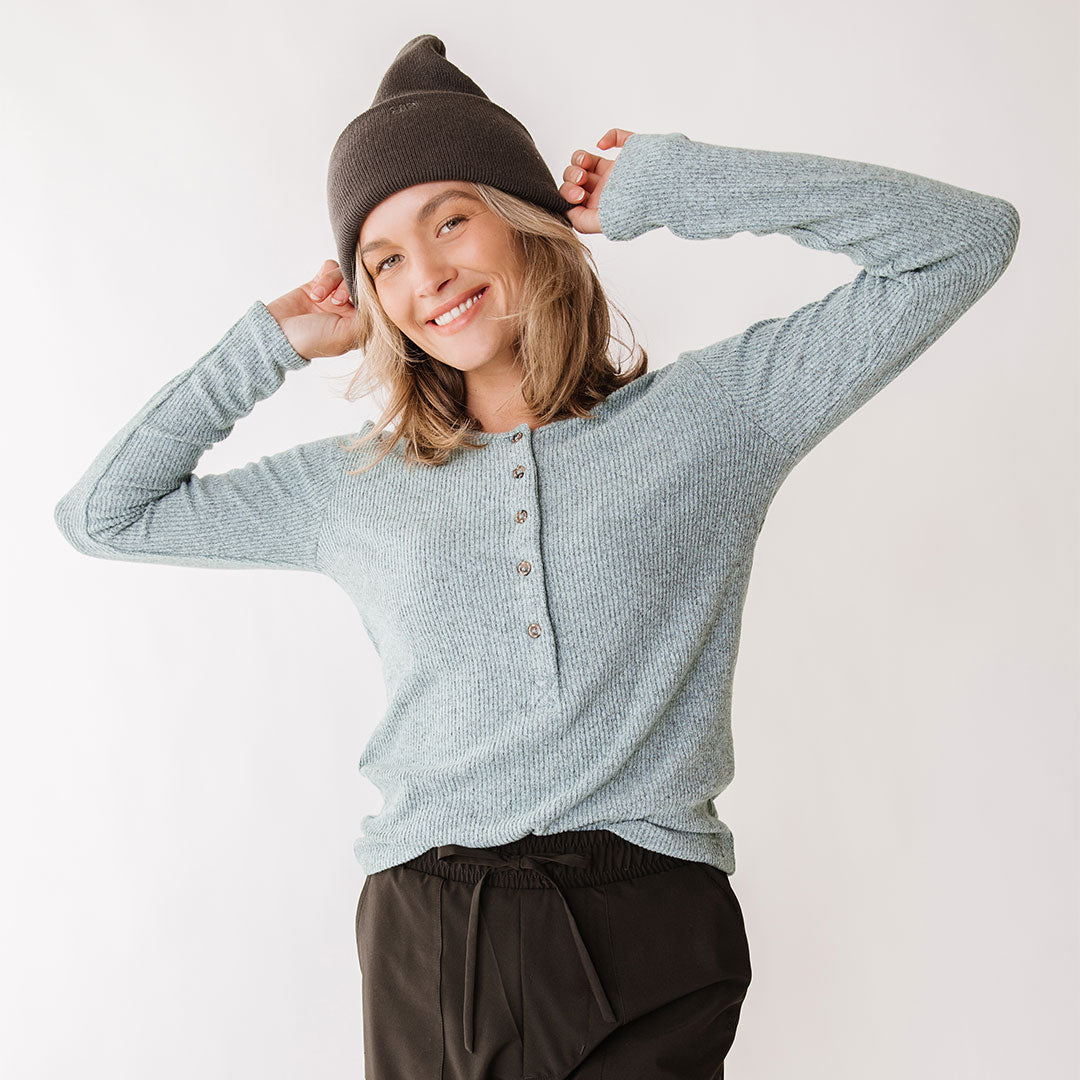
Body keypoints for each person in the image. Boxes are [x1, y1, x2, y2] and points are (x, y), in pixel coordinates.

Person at [53, 31, 1020, 1080]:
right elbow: (105, 515)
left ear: (524, 222)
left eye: (450, 220)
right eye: (384, 260)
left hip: (648, 914)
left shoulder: (714, 418)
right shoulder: (356, 484)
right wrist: (264, 347)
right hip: (430, 928)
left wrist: (676, 185)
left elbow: (965, 241)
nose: (428, 276)